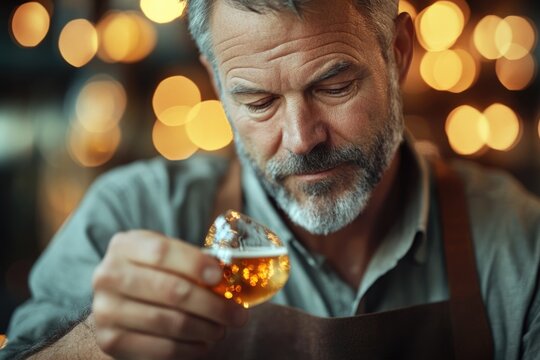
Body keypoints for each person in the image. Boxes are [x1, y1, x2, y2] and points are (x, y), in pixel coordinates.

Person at [2, 0, 539, 359]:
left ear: (397, 54)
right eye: (258, 101)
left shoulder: (521, 244)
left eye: (334, 86)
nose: (302, 138)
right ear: (216, 83)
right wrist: (94, 343)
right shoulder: (131, 215)